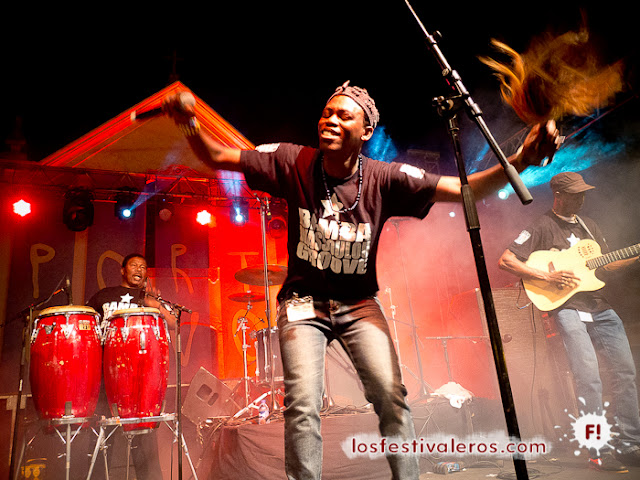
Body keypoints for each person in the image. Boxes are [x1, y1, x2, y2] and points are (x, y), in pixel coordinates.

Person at [163, 81, 560, 479]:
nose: (330, 121)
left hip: (359, 304)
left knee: (391, 398)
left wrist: (521, 160)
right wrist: (190, 123)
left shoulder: (386, 177)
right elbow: (216, 155)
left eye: (343, 115)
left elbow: (464, 189)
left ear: (366, 130)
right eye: (326, 113)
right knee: (302, 404)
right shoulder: (292, 160)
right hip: (303, 302)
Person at [498, 171, 640, 472]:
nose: (582, 198)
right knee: (588, 378)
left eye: (584, 193)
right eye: (576, 194)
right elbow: (506, 260)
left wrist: (637, 255)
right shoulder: (541, 226)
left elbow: (605, 264)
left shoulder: (591, 226)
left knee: (626, 371)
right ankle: (597, 451)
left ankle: (630, 443)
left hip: (599, 305)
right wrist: (548, 276)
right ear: (559, 196)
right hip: (567, 308)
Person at [86, 253, 176, 479]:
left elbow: (173, 323)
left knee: (144, 431)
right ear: (122, 270)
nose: (140, 270)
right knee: (103, 432)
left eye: (144, 267)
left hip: (141, 374)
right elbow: (87, 328)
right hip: (108, 372)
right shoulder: (103, 296)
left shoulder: (149, 297)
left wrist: (154, 305)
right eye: (134, 265)